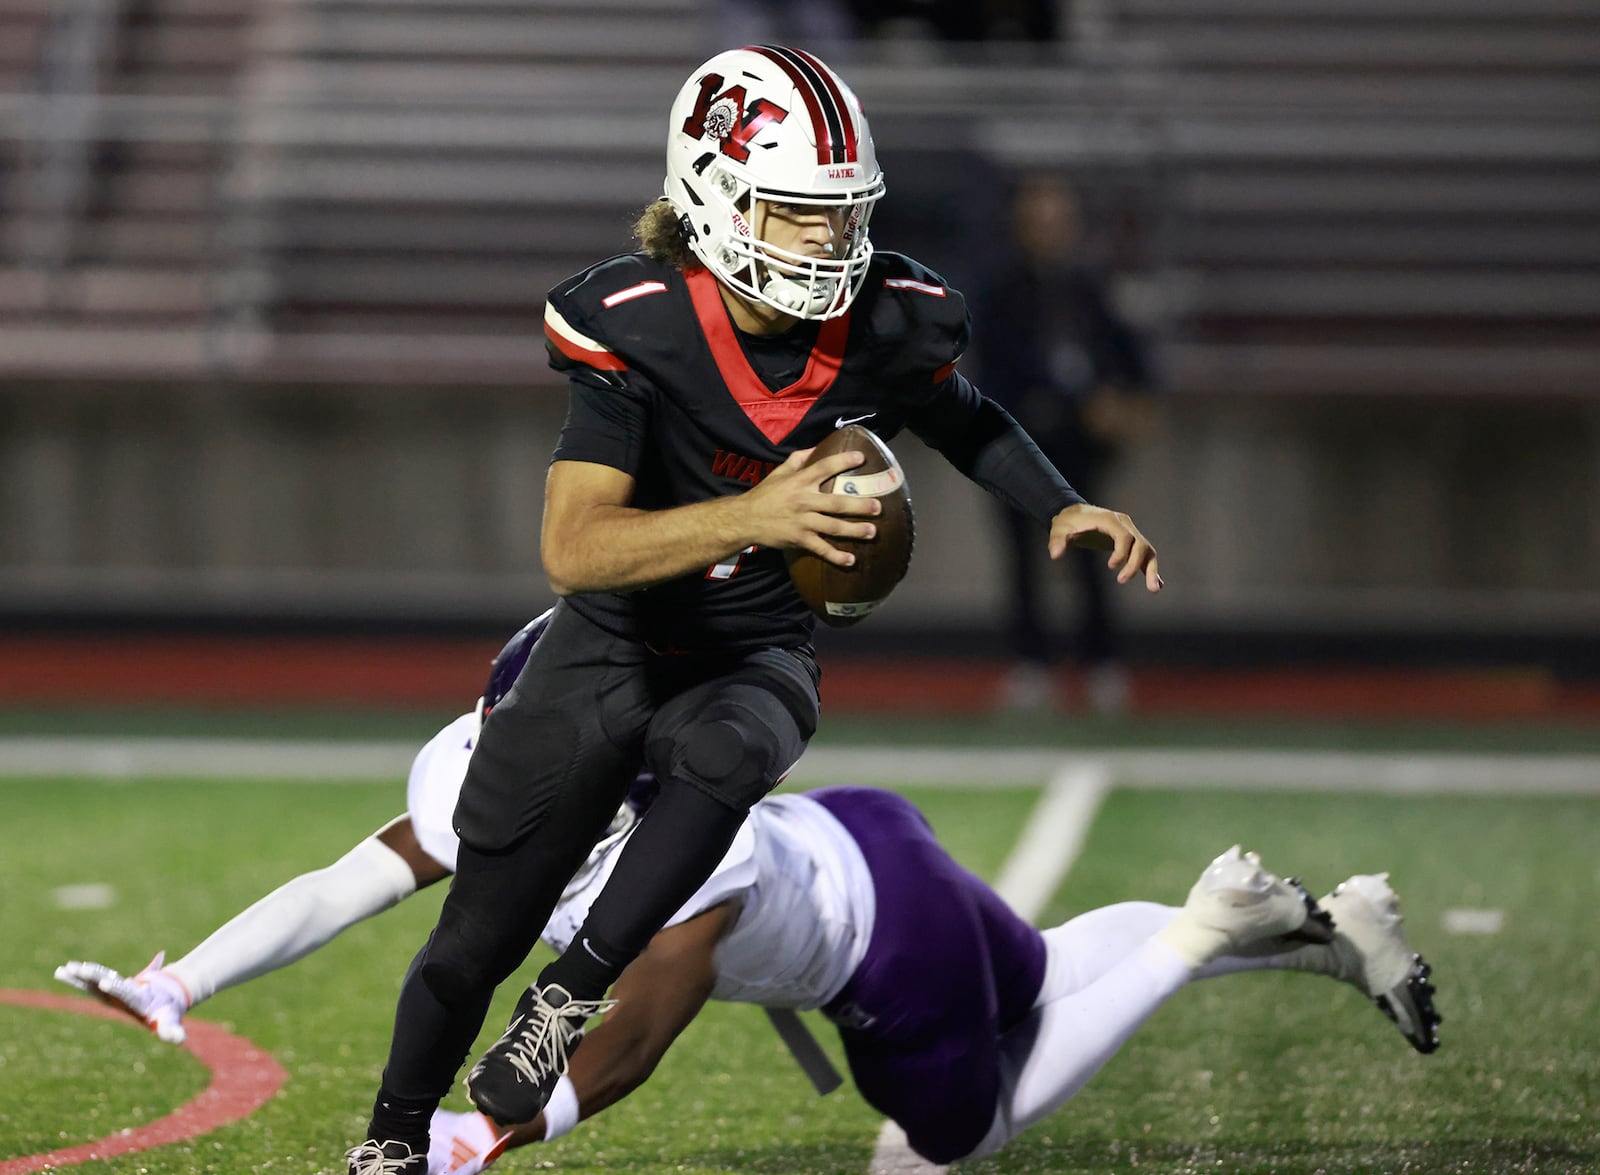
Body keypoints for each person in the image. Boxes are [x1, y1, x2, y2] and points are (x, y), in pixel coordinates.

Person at [349, 44, 1163, 1174]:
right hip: (615, 641)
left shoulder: (886, 313)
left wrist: (1060, 502)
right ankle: (390, 1142)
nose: (830, 242)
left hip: (752, 648)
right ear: (716, 195)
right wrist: (756, 515)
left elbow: (962, 415)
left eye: (844, 216)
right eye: (797, 215)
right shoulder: (638, 323)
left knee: (736, 745)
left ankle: (569, 994)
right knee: (469, 935)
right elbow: (573, 550)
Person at [60, 740, 1442, 1175]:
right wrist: (181, 982)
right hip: (868, 836)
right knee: (1033, 972)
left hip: (874, 945)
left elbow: (641, 1035)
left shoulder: (668, 865)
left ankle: (1208, 926)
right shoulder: (514, 768)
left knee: (934, 1143)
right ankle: (1312, 937)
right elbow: (339, 883)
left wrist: (486, 1137)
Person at [974, 173, 1161, 715]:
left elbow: (1131, 360)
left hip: (1078, 450)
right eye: (1038, 218)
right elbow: (990, 373)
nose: (1047, 228)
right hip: (1019, 449)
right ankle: (1032, 664)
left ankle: (1101, 664)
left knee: (1091, 558)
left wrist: (1122, 405)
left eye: (1056, 218)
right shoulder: (1001, 293)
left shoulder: (1089, 288)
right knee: (1022, 561)